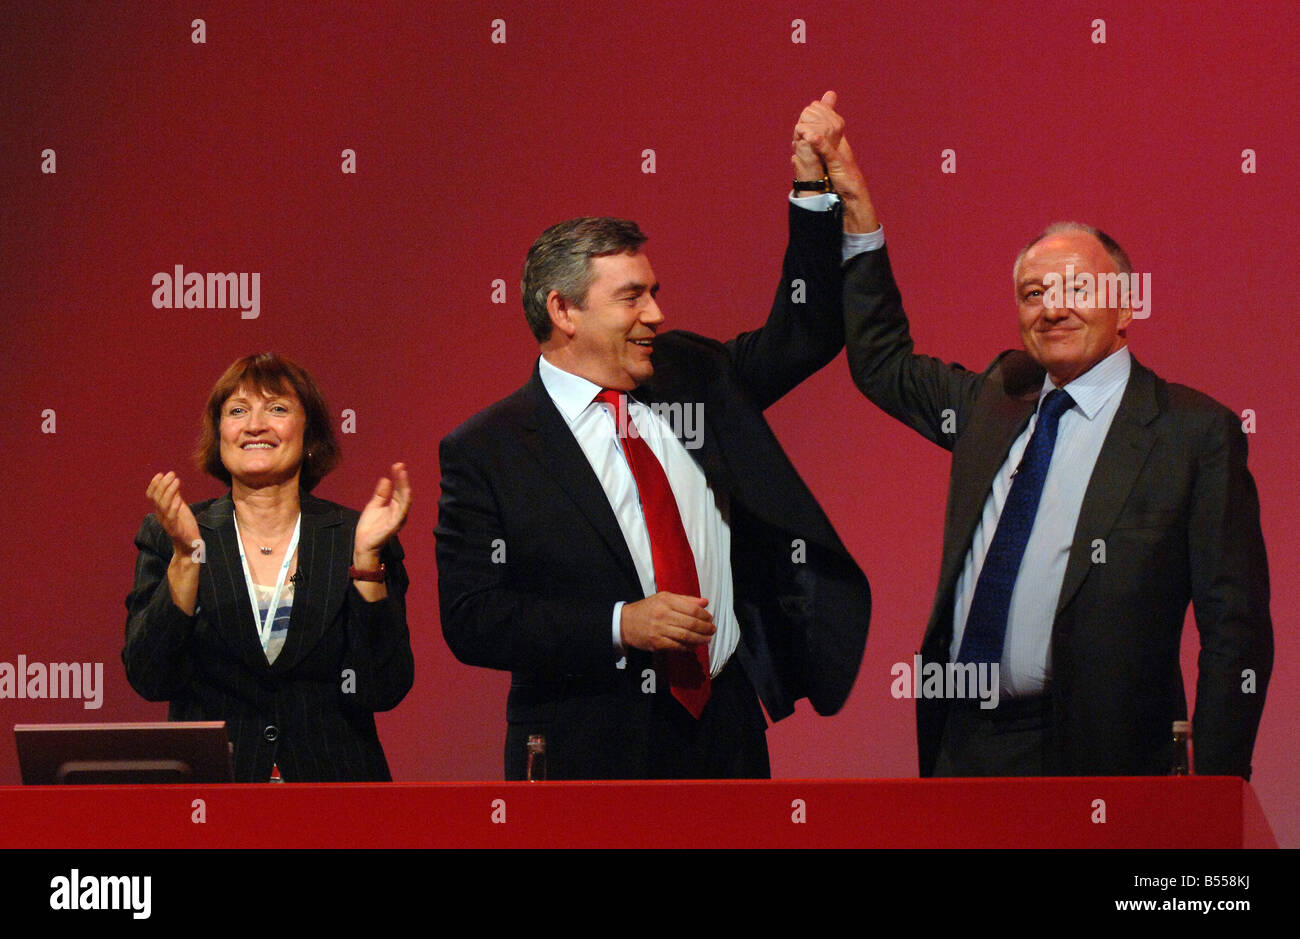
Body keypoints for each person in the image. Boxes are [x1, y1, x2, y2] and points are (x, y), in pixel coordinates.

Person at [796, 96, 1274, 777]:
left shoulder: (1192, 433)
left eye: (1074, 287)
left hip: (1098, 757)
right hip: (962, 747)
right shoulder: (995, 397)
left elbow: (1236, 630)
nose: (1051, 307)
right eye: (1031, 293)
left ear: (1128, 304)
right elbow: (882, 364)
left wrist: (1216, 789)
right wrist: (858, 211)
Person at [435, 95, 873, 780]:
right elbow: (474, 617)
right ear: (564, 310)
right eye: (632, 296)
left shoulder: (694, 374)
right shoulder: (488, 449)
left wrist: (813, 192)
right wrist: (620, 623)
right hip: (588, 745)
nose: (657, 313)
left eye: (654, 291)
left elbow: (806, 332)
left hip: (725, 731)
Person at [124, 352, 414, 782]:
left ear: (309, 435)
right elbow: (151, 678)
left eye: (276, 408)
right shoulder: (172, 533)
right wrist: (187, 559)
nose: (255, 425)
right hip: (214, 797)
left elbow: (383, 686)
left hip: (336, 796)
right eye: (237, 411)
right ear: (219, 436)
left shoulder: (357, 535)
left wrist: (367, 561)